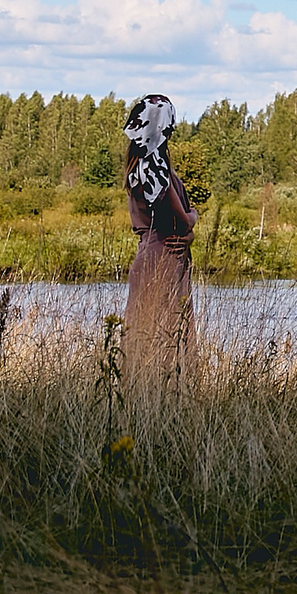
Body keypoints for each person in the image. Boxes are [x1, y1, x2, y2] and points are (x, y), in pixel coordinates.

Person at [121, 93, 196, 392]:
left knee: (147, 333)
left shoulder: (138, 166)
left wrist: (186, 233)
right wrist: (194, 219)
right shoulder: (156, 171)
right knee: (166, 336)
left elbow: (174, 225)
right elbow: (183, 220)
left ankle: (147, 400)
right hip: (163, 259)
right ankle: (163, 402)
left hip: (154, 255)